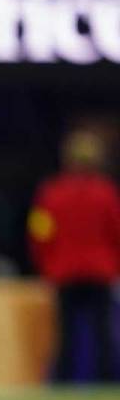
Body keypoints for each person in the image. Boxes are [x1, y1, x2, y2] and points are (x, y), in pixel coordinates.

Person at [28, 129, 120, 382]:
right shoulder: (106, 193)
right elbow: (117, 232)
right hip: (100, 270)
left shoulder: (51, 194)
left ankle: (65, 380)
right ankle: (107, 380)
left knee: (66, 332)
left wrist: (46, 264)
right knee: (103, 331)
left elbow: (40, 234)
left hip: (64, 270)